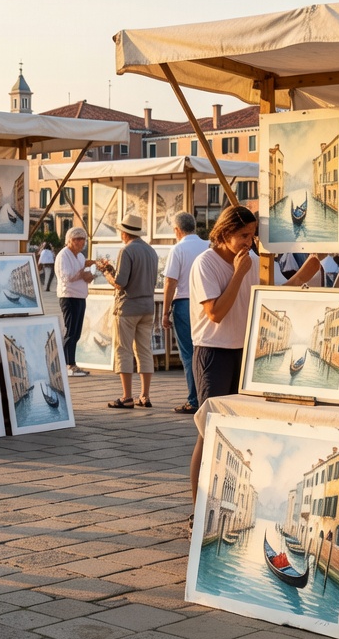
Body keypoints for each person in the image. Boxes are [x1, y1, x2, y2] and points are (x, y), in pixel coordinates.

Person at [187, 206, 323, 504]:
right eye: (243, 235)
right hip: (214, 352)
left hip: (245, 352)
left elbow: (271, 297)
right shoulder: (205, 263)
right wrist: (238, 273)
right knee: (209, 430)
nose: (249, 242)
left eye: (252, 235)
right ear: (224, 233)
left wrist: (311, 266)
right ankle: (198, 509)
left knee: (237, 431)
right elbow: (215, 313)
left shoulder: (249, 260)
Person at [97, 213, 158, 408]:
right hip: (147, 307)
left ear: (125, 233)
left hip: (128, 307)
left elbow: (120, 283)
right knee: (144, 351)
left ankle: (126, 396)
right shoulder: (151, 251)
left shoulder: (126, 251)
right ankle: (145, 396)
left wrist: (107, 273)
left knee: (123, 350)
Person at [161, 211, 209, 414]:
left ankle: (194, 399)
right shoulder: (208, 245)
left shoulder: (178, 249)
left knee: (188, 354)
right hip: (207, 301)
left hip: (184, 303)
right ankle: (206, 396)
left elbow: (170, 281)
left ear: (177, 230)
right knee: (205, 350)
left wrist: (165, 312)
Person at [56, 226, 97, 377]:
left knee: (77, 332)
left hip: (80, 296)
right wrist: (83, 271)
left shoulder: (80, 257)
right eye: (78, 239)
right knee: (71, 331)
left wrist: (91, 271)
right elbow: (67, 277)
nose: (82, 243)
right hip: (69, 296)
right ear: (70, 240)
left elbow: (82, 274)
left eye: (83, 240)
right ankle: (68, 364)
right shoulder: (63, 255)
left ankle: (71, 363)